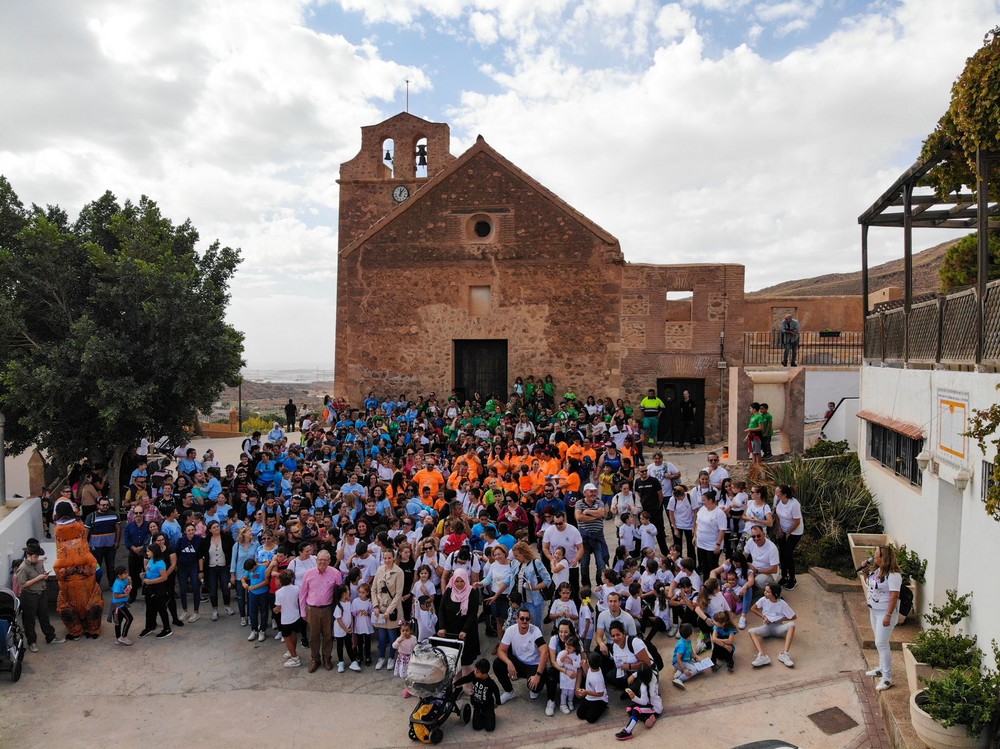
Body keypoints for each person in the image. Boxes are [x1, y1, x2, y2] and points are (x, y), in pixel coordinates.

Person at [863, 545, 901, 692]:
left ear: (884, 558)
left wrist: (888, 615)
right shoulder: (877, 571)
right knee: (879, 642)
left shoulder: (893, 575)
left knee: (881, 643)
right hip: (874, 610)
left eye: (876, 554)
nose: (874, 556)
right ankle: (881, 668)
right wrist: (865, 572)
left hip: (885, 613)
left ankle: (887, 678)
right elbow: (871, 585)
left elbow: (894, 595)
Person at [493, 607, 550, 705]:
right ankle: (509, 691)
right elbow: (501, 650)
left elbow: (545, 652)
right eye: (522, 618)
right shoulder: (510, 630)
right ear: (517, 619)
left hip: (533, 664)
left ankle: (533, 684)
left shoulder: (535, 631)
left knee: (535, 688)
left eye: (527, 619)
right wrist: (509, 663)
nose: (524, 621)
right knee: (497, 664)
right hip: (518, 662)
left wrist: (538, 675)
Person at [298, 549, 342, 673]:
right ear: (316, 560)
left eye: (325, 560)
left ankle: (327, 658)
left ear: (329, 561)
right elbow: (302, 594)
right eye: (320, 559)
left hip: (328, 609)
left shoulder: (335, 573)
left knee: (328, 635)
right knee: (314, 636)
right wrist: (303, 612)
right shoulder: (308, 574)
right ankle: (315, 659)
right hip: (313, 610)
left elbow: (339, 593)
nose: (322, 562)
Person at [15, 543, 64, 651]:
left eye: (38, 556)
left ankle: (50, 636)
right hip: (30, 595)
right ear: (29, 555)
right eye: (35, 556)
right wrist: (38, 578)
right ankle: (32, 642)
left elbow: (40, 573)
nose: (37, 558)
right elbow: (22, 584)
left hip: (41, 592)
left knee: (43, 615)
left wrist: (43, 577)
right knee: (29, 619)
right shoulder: (23, 568)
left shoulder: (38, 563)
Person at [437, 567, 481, 677]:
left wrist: (465, 630)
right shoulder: (449, 591)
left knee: (466, 663)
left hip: (466, 633)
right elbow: (441, 610)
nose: (459, 584)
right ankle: (457, 685)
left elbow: (472, 613)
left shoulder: (472, 592)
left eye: (462, 581)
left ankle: (469, 688)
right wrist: (442, 627)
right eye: (457, 581)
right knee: (454, 661)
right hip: (451, 631)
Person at [748, 583, 797, 668]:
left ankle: (784, 654)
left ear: (775, 594)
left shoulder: (782, 603)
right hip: (766, 627)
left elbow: (794, 616)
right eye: (765, 591)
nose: (765, 593)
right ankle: (762, 656)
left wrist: (781, 619)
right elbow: (753, 608)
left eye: (768, 592)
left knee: (792, 625)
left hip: (778, 628)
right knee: (751, 631)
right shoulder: (763, 600)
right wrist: (763, 616)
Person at [372, 547, 405, 670]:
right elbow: (373, 589)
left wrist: (389, 611)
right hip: (380, 608)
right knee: (381, 636)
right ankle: (381, 657)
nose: (387, 560)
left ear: (394, 558)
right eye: (385, 558)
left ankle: (391, 657)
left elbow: (398, 593)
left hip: (393, 609)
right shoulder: (380, 570)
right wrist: (375, 605)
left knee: (392, 635)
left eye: (389, 558)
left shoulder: (399, 572)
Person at [616, 663, 662, 741]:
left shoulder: (645, 688)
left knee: (636, 710)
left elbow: (644, 702)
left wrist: (634, 697)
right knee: (629, 709)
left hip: (654, 708)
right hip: (652, 702)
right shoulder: (653, 674)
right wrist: (634, 675)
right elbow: (647, 670)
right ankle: (647, 718)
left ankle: (628, 731)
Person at [454, 658, 502, 732]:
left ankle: (490, 715)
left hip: (488, 705)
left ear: (484, 674)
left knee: (490, 728)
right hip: (477, 704)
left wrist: (497, 702)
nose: (475, 672)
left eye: (477, 672)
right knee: (477, 727)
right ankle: (482, 714)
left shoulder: (490, 683)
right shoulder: (474, 675)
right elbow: (465, 679)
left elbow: (496, 691)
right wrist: (455, 684)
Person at [84, 497, 120, 589]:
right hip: (96, 547)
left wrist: (117, 541)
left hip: (110, 546)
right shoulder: (91, 516)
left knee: (111, 566)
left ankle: (112, 584)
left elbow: (118, 528)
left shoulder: (114, 515)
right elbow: (86, 531)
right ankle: (96, 586)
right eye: (103, 505)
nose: (105, 506)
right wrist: (86, 544)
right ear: (98, 505)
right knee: (96, 567)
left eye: (107, 505)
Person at [773, 484, 804, 590]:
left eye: (777, 492)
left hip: (794, 532)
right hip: (783, 530)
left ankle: (792, 579)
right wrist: (779, 529)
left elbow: (797, 521)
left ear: (784, 494)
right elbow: (776, 514)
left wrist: (788, 533)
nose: (775, 494)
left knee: (788, 554)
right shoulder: (777, 500)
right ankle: (784, 576)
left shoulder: (794, 504)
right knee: (782, 553)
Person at [273, 569, 305, 668]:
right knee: (293, 634)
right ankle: (292, 652)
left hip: (285, 619)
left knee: (287, 638)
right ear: (292, 579)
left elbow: (278, 608)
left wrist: (274, 610)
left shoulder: (278, 593)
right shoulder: (297, 589)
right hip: (296, 616)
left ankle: (295, 658)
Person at [693, 490, 727, 580]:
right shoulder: (702, 510)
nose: (702, 502)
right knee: (704, 565)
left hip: (712, 545)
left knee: (713, 566)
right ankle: (705, 583)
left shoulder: (719, 513)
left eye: (704, 500)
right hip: (701, 544)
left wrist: (718, 544)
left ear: (711, 500)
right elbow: (697, 523)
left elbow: (722, 530)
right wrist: (695, 536)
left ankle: (715, 584)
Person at [576, 651, 609, 724]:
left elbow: (600, 693)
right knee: (580, 714)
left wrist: (586, 692)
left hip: (599, 699)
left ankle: (603, 706)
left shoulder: (597, 679)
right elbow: (588, 673)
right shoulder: (594, 668)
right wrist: (584, 666)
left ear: (590, 663)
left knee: (590, 719)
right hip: (590, 697)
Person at [745, 524, 780, 592]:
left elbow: (774, 569)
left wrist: (756, 571)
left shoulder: (772, 548)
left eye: (758, 536)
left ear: (764, 534)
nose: (756, 538)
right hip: (754, 568)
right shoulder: (750, 541)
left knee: (759, 581)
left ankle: (771, 588)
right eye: (753, 536)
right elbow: (744, 555)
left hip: (769, 573)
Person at [110, 565, 134, 646]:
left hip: (122, 603)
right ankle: (123, 637)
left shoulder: (124, 580)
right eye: (125, 573)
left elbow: (129, 586)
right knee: (129, 618)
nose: (127, 574)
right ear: (119, 575)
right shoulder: (117, 584)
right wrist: (125, 595)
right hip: (118, 605)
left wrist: (130, 580)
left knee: (119, 621)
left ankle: (119, 638)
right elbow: (116, 595)